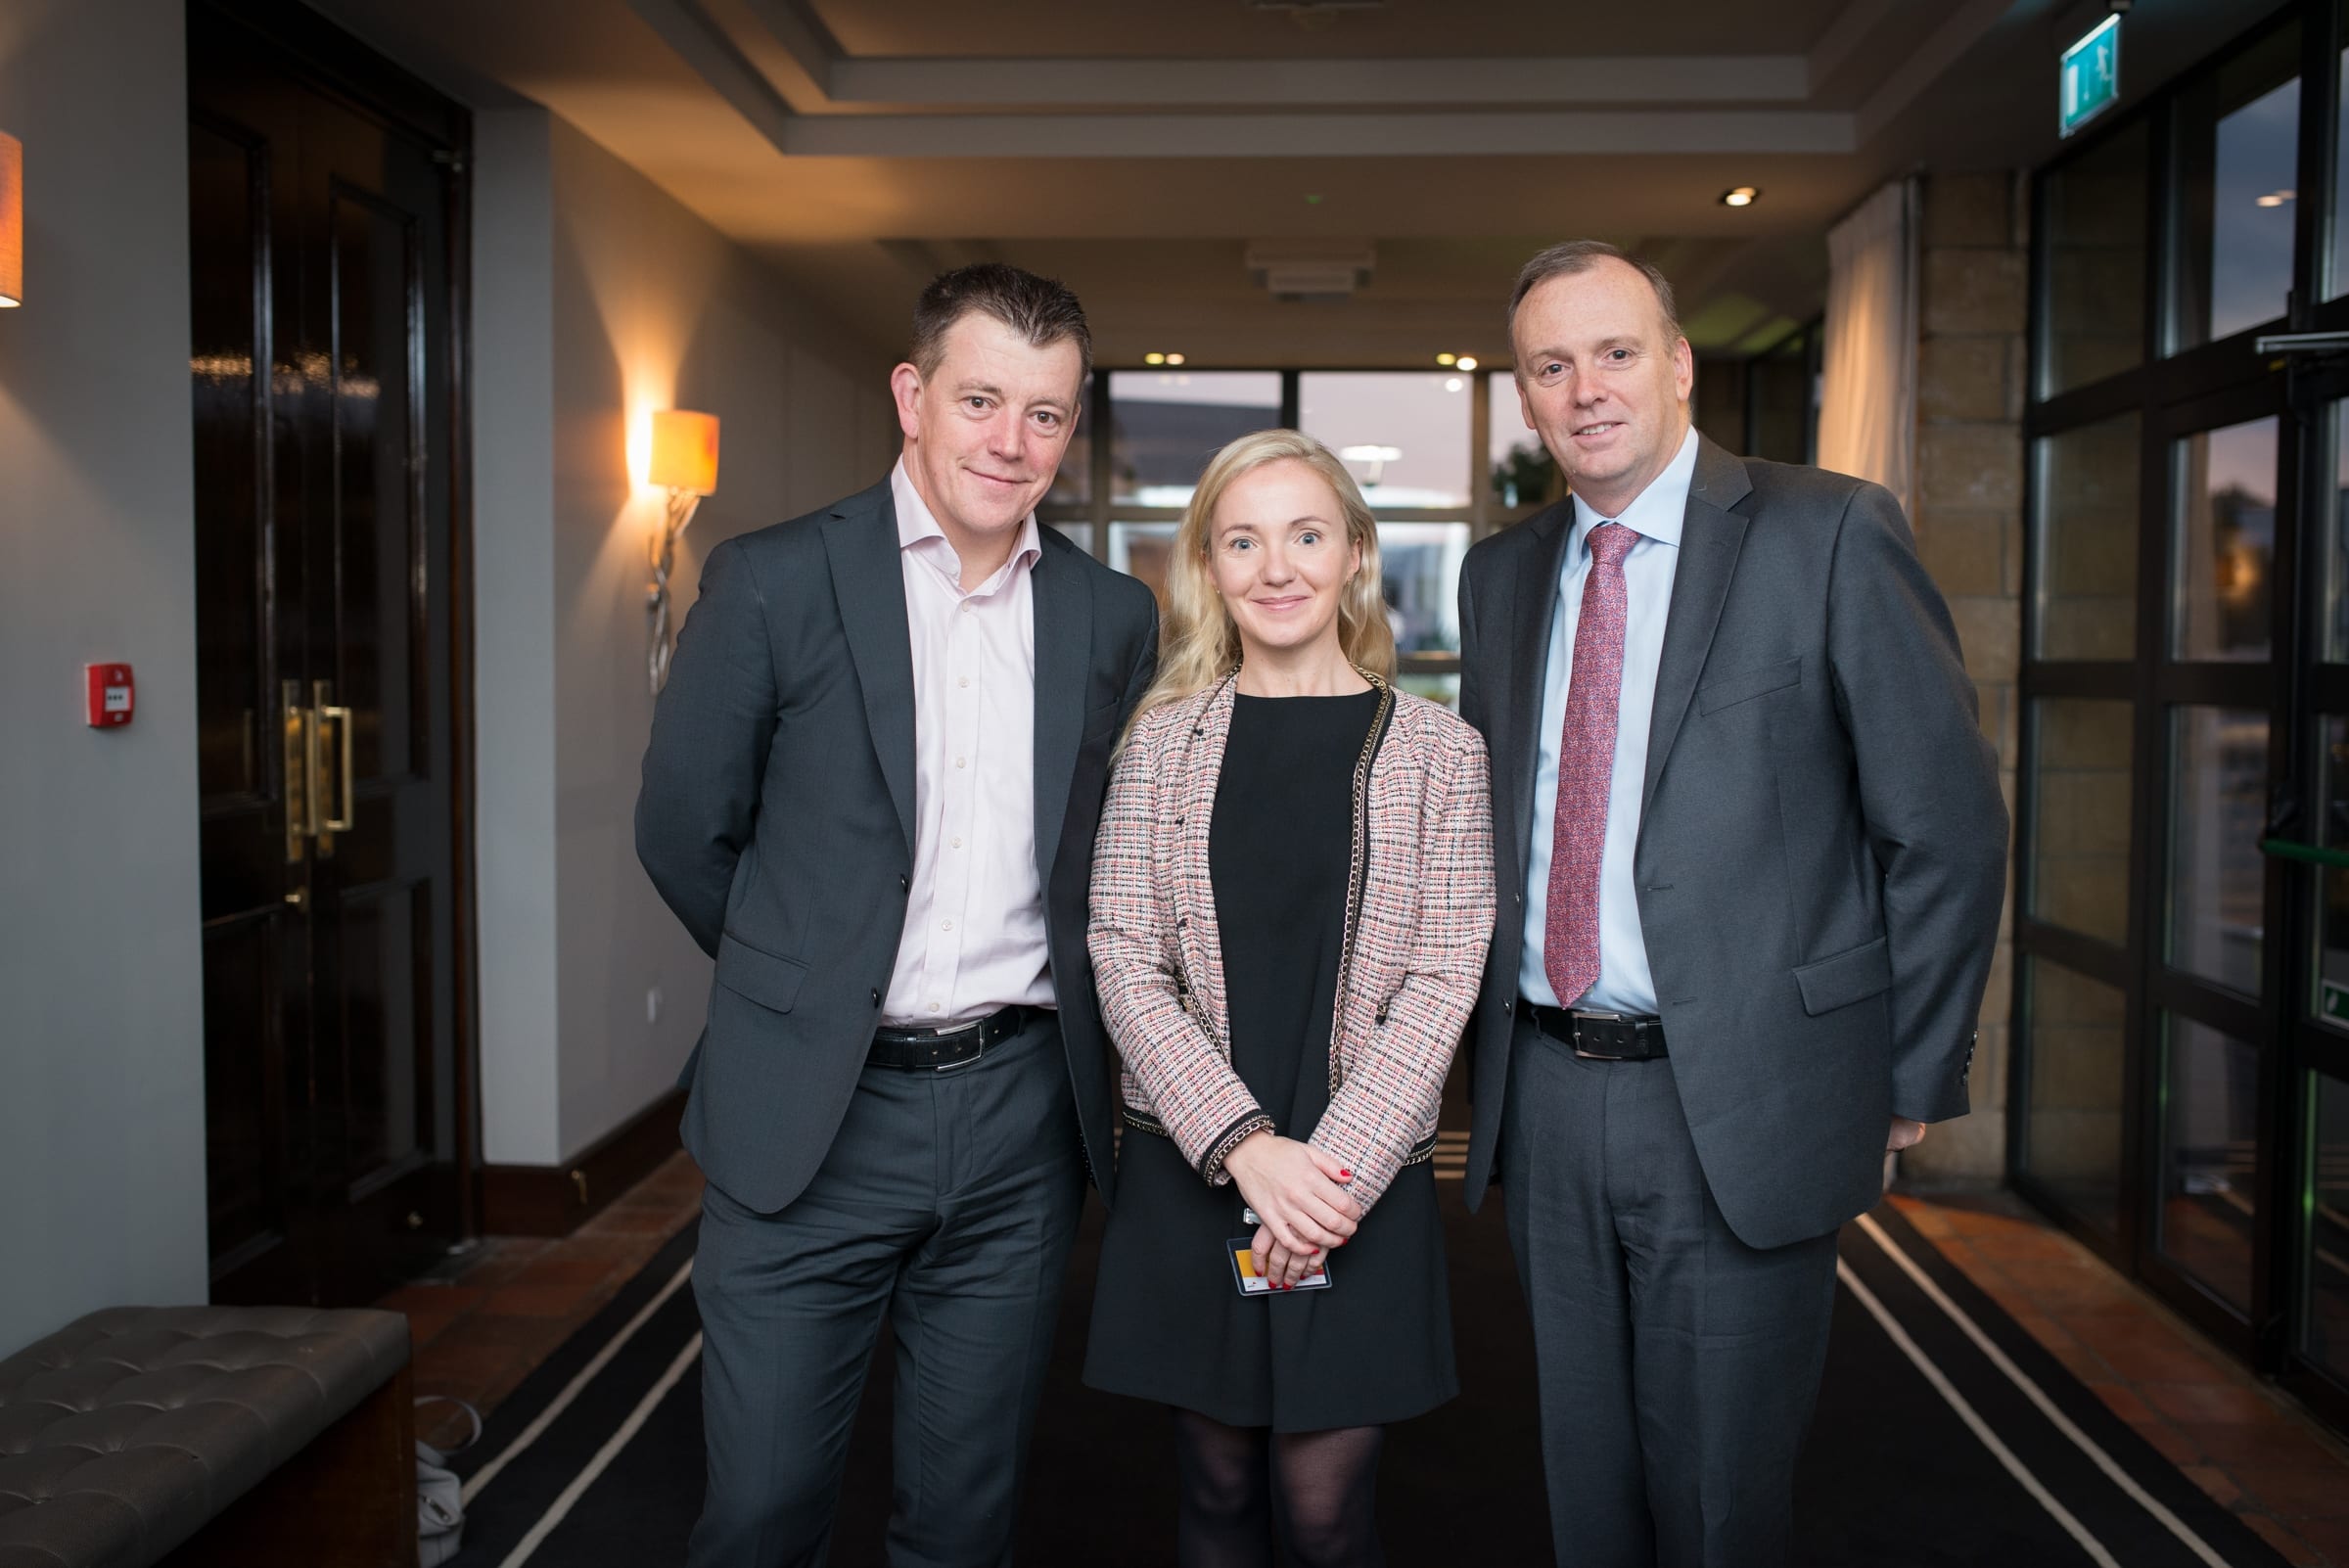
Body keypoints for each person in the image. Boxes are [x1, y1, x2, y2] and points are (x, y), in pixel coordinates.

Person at [1456, 241, 2007, 1567]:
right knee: (1584, 1484)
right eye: (1552, 365)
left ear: (1680, 364)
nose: (1587, 388)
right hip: (1546, 1091)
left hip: (1746, 1097)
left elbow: (1943, 825)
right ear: (1526, 399)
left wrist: (1912, 1070)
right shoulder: (1501, 574)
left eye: (1617, 351)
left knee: (1719, 1499)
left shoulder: (1829, 531)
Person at [635, 262, 1159, 1568]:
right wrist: (807, 981)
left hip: (1017, 1119)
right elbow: (684, 831)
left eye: (1046, 412)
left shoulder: (1111, 616)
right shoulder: (772, 582)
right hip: (810, 1112)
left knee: (965, 1519)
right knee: (759, 1513)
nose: (1011, 441)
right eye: (982, 399)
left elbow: (1112, 860)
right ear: (913, 396)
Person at [1083, 430, 1495, 1568]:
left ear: (1355, 552)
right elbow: (1123, 955)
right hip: (1191, 1168)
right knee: (1214, 1496)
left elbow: (1446, 973)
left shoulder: (1441, 754)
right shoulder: (1158, 747)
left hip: (1355, 1189)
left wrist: (1324, 1179)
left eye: (1307, 535)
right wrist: (1247, 1149)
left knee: (1325, 1514)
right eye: (1244, 540)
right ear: (1209, 565)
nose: (1278, 567)